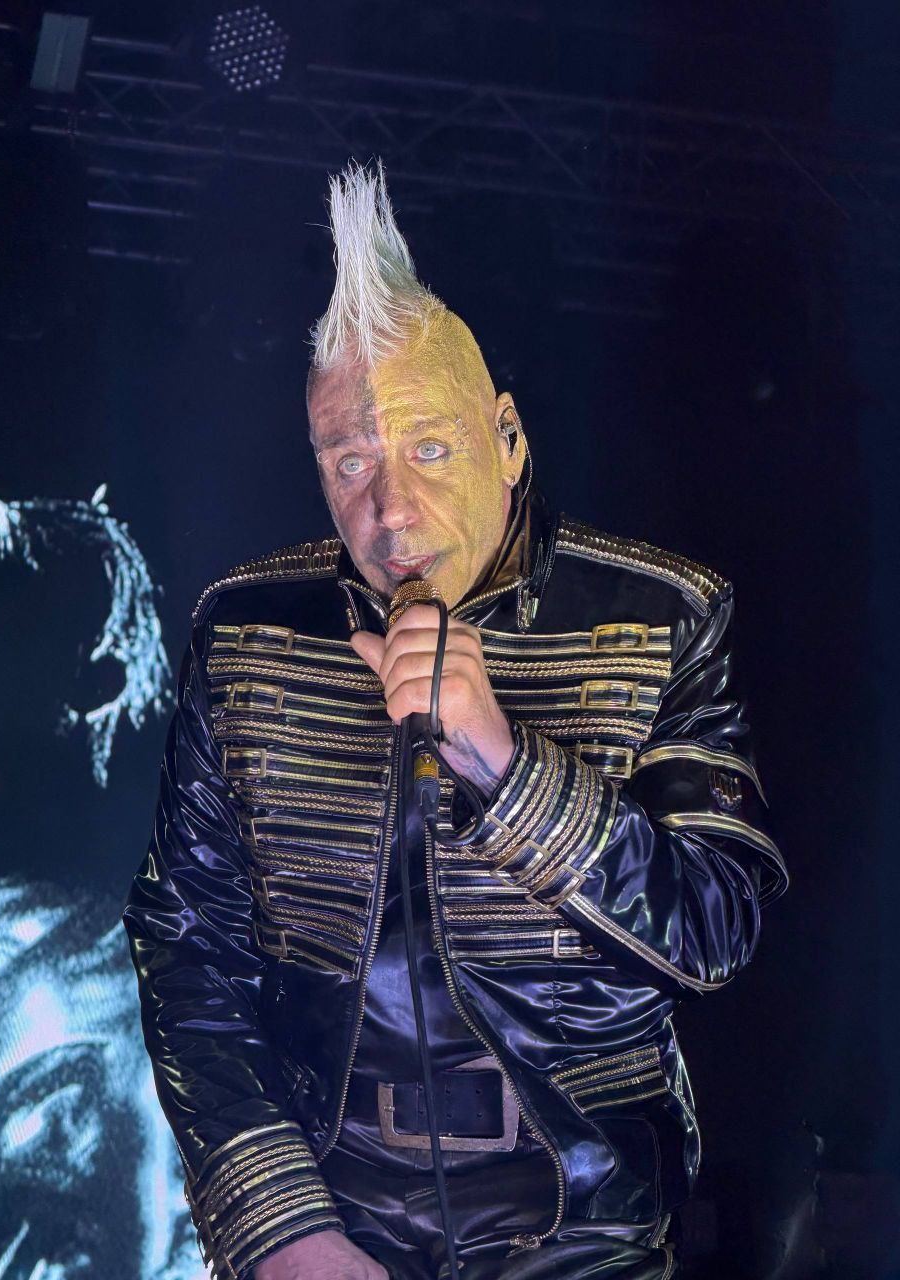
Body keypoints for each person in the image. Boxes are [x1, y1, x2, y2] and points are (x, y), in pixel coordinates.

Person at [123, 160, 788, 1280]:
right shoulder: (247, 632)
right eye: (351, 461)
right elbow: (187, 944)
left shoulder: (661, 615)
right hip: (330, 1207)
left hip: (585, 1220)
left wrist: (508, 763)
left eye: (430, 448)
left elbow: (715, 927)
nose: (391, 509)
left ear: (508, 439)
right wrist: (280, 1224)